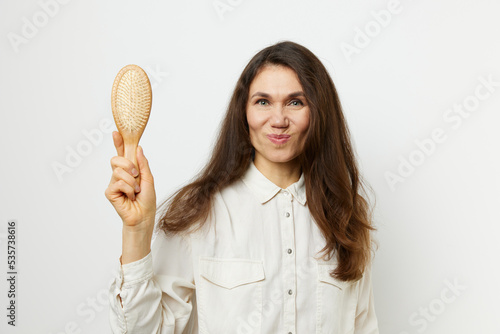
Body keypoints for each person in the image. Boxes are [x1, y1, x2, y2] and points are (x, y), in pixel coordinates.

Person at [105, 40, 379, 334]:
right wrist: (137, 230)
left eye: (295, 102)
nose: (278, 120)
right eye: (263, 102)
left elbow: (363, 326)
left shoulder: (344, 213)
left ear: (319, 113)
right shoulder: (199, 212)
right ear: (243, 113)